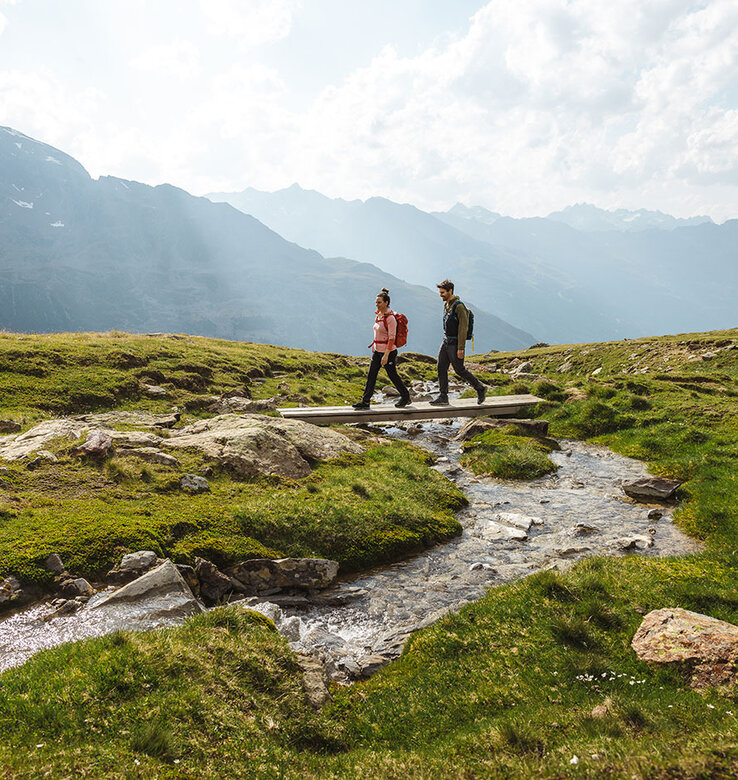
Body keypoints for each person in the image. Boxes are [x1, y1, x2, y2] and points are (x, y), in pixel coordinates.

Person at [430, 279, 487, 406]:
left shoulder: (459, 307)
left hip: (455, 344)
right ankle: (443, 396)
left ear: (450, 291)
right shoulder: (447, 305)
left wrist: (461, 348)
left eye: (443, 292)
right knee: (440, 367)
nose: (441, 295)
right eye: (440, 292)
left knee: (459, 369)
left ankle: (480, 388)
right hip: (446, 342)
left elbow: (463, 328)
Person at [353, 288, 411, 409]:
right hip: (377, 351)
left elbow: (391, 338)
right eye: (376, 302)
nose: (377, 304)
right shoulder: (378, 316)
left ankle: (406, 397)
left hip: (388, 352)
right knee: (371, 375)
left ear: (386, 303)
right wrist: (375, 349)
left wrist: (385, 355)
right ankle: (365, 401)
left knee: (392, 375)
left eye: (379, 302)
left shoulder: (390, 318)